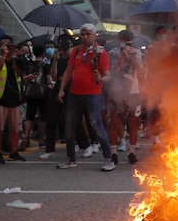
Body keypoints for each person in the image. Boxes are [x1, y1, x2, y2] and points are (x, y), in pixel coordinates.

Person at [57, 23, 115, 171]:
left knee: (96, 125)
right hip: (75, 94)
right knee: (69, 126)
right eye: (82, 34)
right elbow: (68, 71)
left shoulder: (101, 52)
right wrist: (62, 90)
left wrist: (101, 79)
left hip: (92, 94)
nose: (84, 36)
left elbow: (108, 75)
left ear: (94, 35)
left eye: (87, 34)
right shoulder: (76, 50)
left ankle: (108, 158)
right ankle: (71, 158)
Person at [0, 36, 30, 164]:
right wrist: (3, 57)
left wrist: (13, 58)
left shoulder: (16, 61)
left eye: (9, 44)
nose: (6, 46)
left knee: (14, 128)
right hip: (0, 99)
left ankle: (13, 152)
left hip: (14, 100)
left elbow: (19, 73)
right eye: (3, 44)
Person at [107, 30, 145, 163]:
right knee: (115, 121)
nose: (127, 42)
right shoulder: (113, 53)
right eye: (124, 39)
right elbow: (113, 72)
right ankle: (113, 152)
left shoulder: (138, 52)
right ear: (119, 40)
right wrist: (122, 58)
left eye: (129, 39)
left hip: (133, 92)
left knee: (133, 122)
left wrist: (134, 58)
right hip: (117, 91)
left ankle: (132, 152)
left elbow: (141, 73)